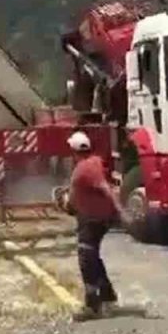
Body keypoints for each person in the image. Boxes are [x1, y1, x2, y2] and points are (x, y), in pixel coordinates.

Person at [65, 131, 124, 321]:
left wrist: (121, 211)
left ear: (73, 150)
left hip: (92, 219)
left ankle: (92, 305)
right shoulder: (94, 161)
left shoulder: (85, 168)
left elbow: (104, 187)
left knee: (86, 257)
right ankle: (108, 297)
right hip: (94, 218)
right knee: (92, 256)